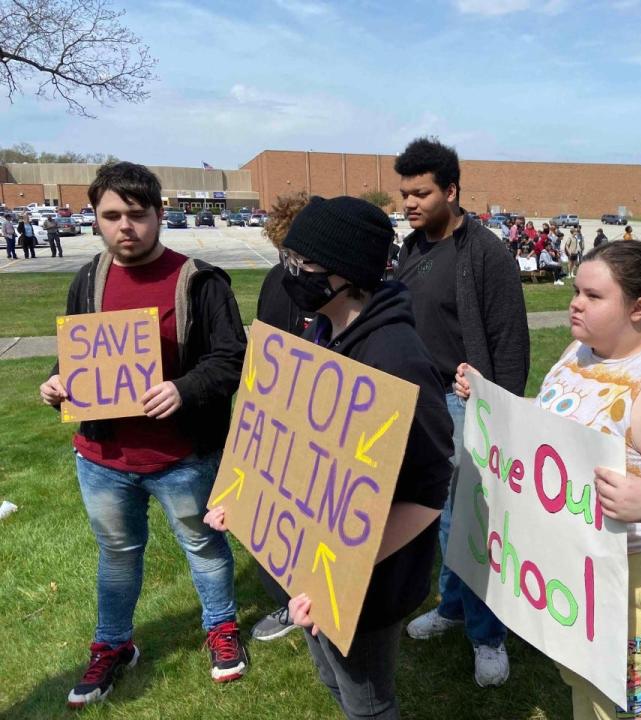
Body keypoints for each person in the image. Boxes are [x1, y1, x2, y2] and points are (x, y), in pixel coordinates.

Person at [454, 241, 641, 720]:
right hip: (577, 571)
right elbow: (554, 426)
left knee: (631, 709)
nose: (575, 302)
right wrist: (491, 399)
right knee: (585, 689)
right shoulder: (578, 352)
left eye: (593, 295)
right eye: (576, 291)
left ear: (639, 308)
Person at [208, 195, 454, 720]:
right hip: (313, 572)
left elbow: (432, 492)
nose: (290, 273)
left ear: (347, 274)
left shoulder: (395, 359)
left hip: (367, 586)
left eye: (304, 264)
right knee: (331, 677)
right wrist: (246, 501)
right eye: (288, 258)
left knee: (367, 701)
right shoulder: (320, 330)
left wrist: (332, 578)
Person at [38, 162, 249, 708]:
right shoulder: (87, 279)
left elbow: (231, 359)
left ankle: (221, 630)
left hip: (181, 456)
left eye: (137, 215)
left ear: (159, 214)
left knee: (203, 545)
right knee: (117, 554)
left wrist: (185, 388)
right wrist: (59, 384)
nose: (125, 227)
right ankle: (112, 646)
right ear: (96, 219)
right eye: (111, 216)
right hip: (104, 456)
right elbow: (76, 356)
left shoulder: (199, 281)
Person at [394, 137, 530, 687]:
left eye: (420, 192)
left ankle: (488, 636)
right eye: (404, 193)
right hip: (417, 402)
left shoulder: (486, 253)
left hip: (467, 404)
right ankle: (453, 608)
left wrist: (499, 408)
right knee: (442, 519)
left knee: (470, 522)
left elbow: (511, 339)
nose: (409, 202)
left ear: (451, 191)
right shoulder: (410, 249)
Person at [246, 190, 314, 642]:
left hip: (321, 424)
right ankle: (291, 598)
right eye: (285, 251)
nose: (291, 261)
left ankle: (307, 601)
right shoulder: (275, 282)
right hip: (277, 419)